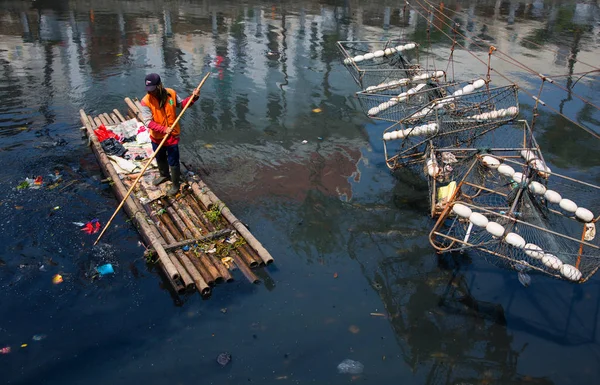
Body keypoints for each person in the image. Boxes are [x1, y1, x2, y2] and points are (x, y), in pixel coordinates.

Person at [139, 73, 200, 196]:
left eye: (153, 90)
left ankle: (175, 184)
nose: (151, 93)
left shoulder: (171, 93)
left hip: (172, 136)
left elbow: (182, 104)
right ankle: (164, 175)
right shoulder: (146, 101)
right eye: (149, 90)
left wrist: (193, 98)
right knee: (160, 157)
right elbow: (147, 122)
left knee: (173, 160)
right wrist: (163, 129)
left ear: (159, 86)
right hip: (157, 137)